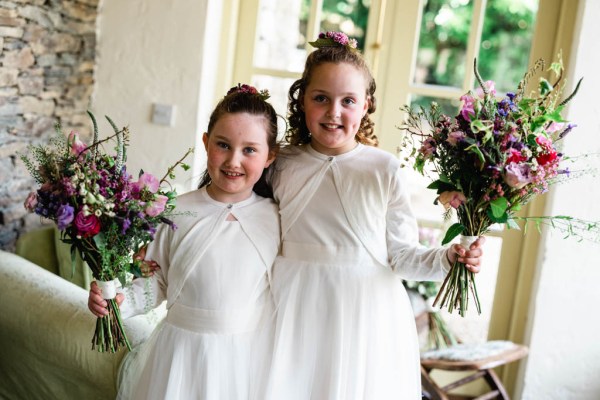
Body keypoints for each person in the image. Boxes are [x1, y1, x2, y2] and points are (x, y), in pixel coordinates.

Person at [264, 32, 486, 400]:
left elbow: (403, 255)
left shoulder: (382, 169)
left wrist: (449, 258)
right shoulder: (281, 163)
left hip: (363, 312)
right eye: (321, 98)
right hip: (291, 305)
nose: (334, 112)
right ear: (303, 100)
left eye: (348, 101)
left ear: (366, 105)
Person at [87, 84, 281, 400]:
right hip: (180, 357)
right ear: (206, 143)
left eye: (249, 150)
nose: (234, 160)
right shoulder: (176, 210)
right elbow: (157, 281)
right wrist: (120, 303)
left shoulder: (275, 218)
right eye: (223, 145)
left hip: (247, 361)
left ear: (270, 156)